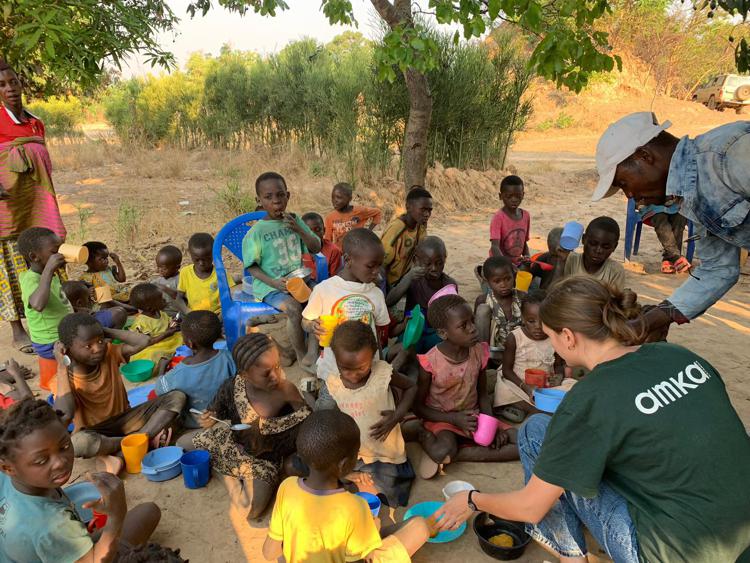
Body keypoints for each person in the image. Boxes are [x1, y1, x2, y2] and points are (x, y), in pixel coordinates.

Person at [434, 276, 750, 562]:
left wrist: (472, 500)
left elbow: (531, 507)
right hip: (740, 535)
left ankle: (570, 556)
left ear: (568, 337)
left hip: (670, 552)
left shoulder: (589, 400)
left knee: (535, 433)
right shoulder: (680, 357)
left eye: (550, 337)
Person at [592, 112, 750, 337]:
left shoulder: (728, 152)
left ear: (644, 156)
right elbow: (718, 269)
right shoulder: (693, 194)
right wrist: (655, 318)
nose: (630, 195)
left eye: (624, 183)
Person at [0, 398, 162, 562]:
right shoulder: (53, 524)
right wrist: (116, 516)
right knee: (148, 512)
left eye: (64, 446)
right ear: (8, 468)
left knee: (145, 513)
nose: (60, 462)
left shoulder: (7, 477)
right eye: (41, 461)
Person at [262, 409, 431, 563]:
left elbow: (269, 553)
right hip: (352, 554)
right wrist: (373, 527)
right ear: (344, 464)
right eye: (356, 453)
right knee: (419, 526)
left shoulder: (287, 487)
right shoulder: (354, 507)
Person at [178, 333, 310, 520]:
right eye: (266, 373)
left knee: (249, 510)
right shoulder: (231, 386)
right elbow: (215, 411)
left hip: (265, 460)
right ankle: (230, 469)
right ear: (244, 374)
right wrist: (210, 418)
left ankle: (227, 473)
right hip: (232, 442)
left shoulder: (286, 390)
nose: (275, 376)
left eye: (277, 367)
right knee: (181, 444)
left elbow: (307, 421)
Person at [53, 313, 186, 466]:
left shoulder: (110, 353)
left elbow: (144, 340)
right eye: (88, 346)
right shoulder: (63, 377)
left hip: (127, 419)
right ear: (67, 350)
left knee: (177, 397)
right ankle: (140, 441)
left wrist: (104, 330)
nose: (97, 349)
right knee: (79, 443)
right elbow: (65, 415)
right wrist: (61, 366)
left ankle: (132, 445)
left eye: (100, 341)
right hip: (97, 432)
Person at [0, 59, 66, 354]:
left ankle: (56, 315)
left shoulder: (34, 121)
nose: (10, 88)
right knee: (9, 263)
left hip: (36, 202)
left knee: (46, 251)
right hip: (7, 207)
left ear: (21, 83)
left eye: (13, 81)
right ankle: (17, 328)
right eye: (2, 85)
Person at [415, 294, 519, 480]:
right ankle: (426, 437)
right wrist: (453, 419)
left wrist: (491, 425)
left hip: (474, 417)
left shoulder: (479, 351)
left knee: (521, 444)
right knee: (442, 450)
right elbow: (419, 407)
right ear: (443, 333)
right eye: (464, 325)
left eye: (472, 321)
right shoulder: (431, 362)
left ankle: (457, 455)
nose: (473, 329)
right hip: (443, 418)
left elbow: (482, 394)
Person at [316, 321, 417, 508]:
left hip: (385, 456)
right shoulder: (334, 385)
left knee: (386, 494)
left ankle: (361, 487)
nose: (353, 375)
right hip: (355, 457)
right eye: (345, 368)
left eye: (362, 368)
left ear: (373, 357)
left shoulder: (382, 373)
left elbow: (411, 386)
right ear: (336, 360)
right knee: (320, 473)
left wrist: (397, 415)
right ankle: (353, 481)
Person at [243, 172, 321, 367]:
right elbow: (251, 267)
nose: (276, 202)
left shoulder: (294, 220)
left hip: (298, 279)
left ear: (288, 196)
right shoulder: (256, 233)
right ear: (259, 200)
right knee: (294, 309)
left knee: (320, 297)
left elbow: (316, 247)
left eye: (280, 195)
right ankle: (300, 353)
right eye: (268, 197)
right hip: (271, 286)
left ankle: (313, 350)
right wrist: (274, 283)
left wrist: (300, 230)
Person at [302, 228, 390, 381]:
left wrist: (380, 364)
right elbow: (305, 321)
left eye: (379, 265)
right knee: (328, 403)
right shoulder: (324, 290)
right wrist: (312, 326)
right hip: (333, 371)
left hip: (367, 369)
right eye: (371, 266)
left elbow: (378, 335)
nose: (377, 272)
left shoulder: (376, 294)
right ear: (348, 260)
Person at [495, 290, 568, 423]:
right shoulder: (515, 338)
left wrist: (556, 379)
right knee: (504, 389)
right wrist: (525, 387)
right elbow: (507, 371)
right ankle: (533, 410)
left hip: (545, 385)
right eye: (531, 321)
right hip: (519, 384)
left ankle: (523, 410)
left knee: (571, 385)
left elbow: (558, 366)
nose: (538, 327)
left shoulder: (554, 338)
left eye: (543, 321)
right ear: (523, 318)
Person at [154, 310, 235, 429]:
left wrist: (162, 368)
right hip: (223, 417)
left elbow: (159, 390)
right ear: (218, 336)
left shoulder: (181, 370)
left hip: (193, 423)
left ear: (190, 344)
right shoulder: (229, 357)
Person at [17, 227, 73, 360]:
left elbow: (59, 302)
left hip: (66, 331)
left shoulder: (52, 274)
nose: (60, 255)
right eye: (55, 252)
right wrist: (48, 269)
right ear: (34, 257)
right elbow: (38, 305)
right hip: (50, 343)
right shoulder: (30, 279)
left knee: (116, 314)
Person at [554, 216, 626, 290]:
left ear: (614, 247)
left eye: (606, 247)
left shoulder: (615, 271)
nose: (598, 251)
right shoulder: (570, 259)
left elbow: (614, 300)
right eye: (593, 243)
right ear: (583, 239)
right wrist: (560, 262)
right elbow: (555, 291)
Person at [381, 187, 433, 287]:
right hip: (391, 284)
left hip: (406, 281)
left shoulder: (420, 228)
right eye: (423, 210)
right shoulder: (397, 228)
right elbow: (381, 264)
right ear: (408, 207)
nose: (427, 214)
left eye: (429, 210)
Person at [474, 256, 523, 364]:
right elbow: (476, 329)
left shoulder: (521, 297)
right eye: (497, 281)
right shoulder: (483, 300)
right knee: (482, 310)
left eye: (507, 279)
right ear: (487, 282)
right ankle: (483, 361)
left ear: (514, 276)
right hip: (493, 353)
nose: (503, 285)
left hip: (520, 353)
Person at [127, 283, 183, 372]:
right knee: (153, 354)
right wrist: (166, 333)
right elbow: (146, 342)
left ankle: (174, 357)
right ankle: (163, 366)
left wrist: (174, 323)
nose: (164, 299)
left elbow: (168, 323)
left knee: (184, 335)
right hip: (153, 346)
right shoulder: (142, 322)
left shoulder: (160, 313)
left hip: (169, 340)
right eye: (161, 299)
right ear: (149, 308)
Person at [177, 232, 226, 316]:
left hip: (215, 315)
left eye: (206, 259)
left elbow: (230, 294)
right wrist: (187, 311)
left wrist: (221, 315)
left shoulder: (220, 274)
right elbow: (179, 298)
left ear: (213, 254)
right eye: (197, 259)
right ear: (190, 254)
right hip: (193, 315)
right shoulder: (185, 272)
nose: (201, 263)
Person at [324, 182, 383, 247]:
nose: (335, 200)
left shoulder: (360, 211)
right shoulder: (330, 217)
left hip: (357, 250)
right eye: (333, 197)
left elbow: (378, 213)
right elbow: (327, 240)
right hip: (340, 253)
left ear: (350, 199)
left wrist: (368, 231)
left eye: (339, 197)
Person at [489, 175, 530, 267]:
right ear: (500, 196)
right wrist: (507, 265)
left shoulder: (526, 216)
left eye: (518, 196)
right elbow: (494, 247)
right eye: (509, 196)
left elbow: (523, 243)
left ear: (523, 195)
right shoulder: (498, 218)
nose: (514, 200)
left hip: (518, 263)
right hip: (500, 263)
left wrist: (527, 256)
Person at [62, 280, 128, 329]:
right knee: (120, 312)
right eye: (88, 298)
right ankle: (110, 340)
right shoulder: (81, 316)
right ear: (79, 303)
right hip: (85, 330)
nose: (90, 300)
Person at [301, 211, 343, 280]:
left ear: (324, 230)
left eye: (317, 230)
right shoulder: (298, 250)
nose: (313, 235)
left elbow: (335, 279)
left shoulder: (333, 251)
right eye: (308, 231)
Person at [152, 244, 187, 318]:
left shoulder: (181, 280)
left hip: (177, 314)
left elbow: (183, 298)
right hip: (162, 313)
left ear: (177, 267)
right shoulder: (158, 280)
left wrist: (165, 289)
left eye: (164, 268)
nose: (160, 270)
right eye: (158, 267)